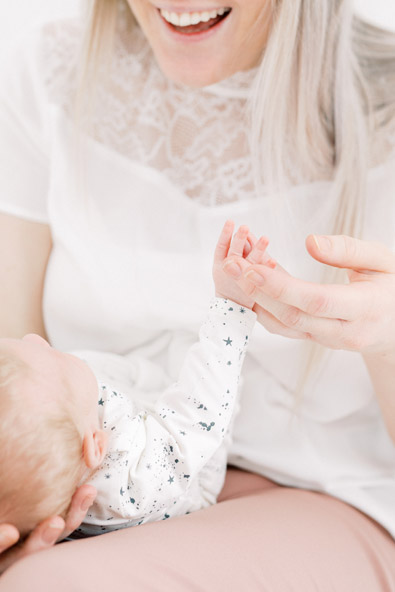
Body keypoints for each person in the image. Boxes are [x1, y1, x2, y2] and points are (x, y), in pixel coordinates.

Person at [0, 0, 395, 589]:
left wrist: (386, 339)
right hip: (101, 488)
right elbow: (16, 352)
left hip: (322, 491)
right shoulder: (50, 68)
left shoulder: (380, 113)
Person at [0, 222, 258, 540]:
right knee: (205, 365)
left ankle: (149, 372)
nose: (36, 338)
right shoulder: (137, 486)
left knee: (89, 373)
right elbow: (200, 417)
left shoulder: (56, 438)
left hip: (126, 404)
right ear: (96, 444)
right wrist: (232, 310)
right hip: (193, 474)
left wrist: (140, 374)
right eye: (56, 357)